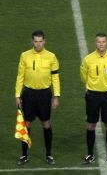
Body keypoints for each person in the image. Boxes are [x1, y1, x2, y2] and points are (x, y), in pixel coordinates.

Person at [14, 30, 60, 166]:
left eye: (40, 41)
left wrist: (56, 96)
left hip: (44, 94)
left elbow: (55, 78)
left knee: (46, 123)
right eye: (36, 41)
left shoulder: (51, 57)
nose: (38, 44)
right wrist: (17, 95)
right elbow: (20, 76)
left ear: (44, 41)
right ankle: (24, 155)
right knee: (27, 124)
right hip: (28, 94)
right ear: (32, 42)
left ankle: (49, 154)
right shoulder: (25, 56)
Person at [79, 33, 107, 165]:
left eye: (103, 41)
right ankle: (90, 154)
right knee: (91, 124)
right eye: (99, 42)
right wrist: (92, 85)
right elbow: (83, 76)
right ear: (95, 43)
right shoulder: (88, 59)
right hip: (92, 95)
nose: (101, 44)